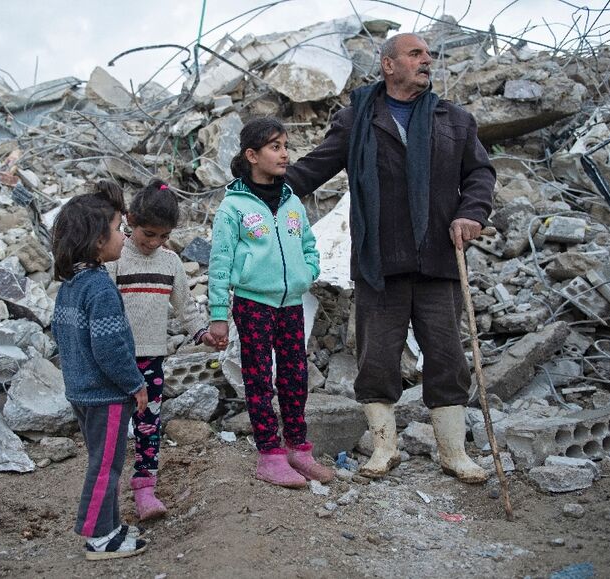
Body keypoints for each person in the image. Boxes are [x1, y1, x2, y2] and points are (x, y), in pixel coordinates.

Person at [285, 33, 495, 484]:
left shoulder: (453, 120)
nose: (427, 60)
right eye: (416, 54)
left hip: (439, 261)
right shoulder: (357, 118)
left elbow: (480, 173)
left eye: (428, 53)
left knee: (446, 356)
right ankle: (385, 448)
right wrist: (262, 191)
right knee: (376, 359)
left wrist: (471, 213)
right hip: (380, 264)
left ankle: (453, 452)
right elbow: (314, 168)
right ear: (387, 65)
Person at [208, 117, 334, 489]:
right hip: (253, 304)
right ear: (252, 155)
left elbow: (309, 245)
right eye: (274, 147)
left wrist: (306, 272)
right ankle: (269, 455)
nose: (284, 154)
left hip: (291, 302)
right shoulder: (233, 207)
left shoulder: (291, 200)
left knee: (295, 375)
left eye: (285, 146)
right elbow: (220, 263)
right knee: (259, 379)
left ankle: (298, 448)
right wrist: (217, 315)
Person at [104, 178, 219, 521]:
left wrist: (201, 332)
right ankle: (105, 496)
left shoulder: (169, 263)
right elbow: (102, 308)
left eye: (163, 236)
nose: (154, 243)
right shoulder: (114, 258)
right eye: (148, 234)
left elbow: (185, 306)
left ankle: (145, 491)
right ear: (130, 221)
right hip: (114, 359)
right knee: (109, 427)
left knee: (148, 426)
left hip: (151, 359)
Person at [50, 184, 149, 560]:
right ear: (96, 240)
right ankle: (97, 536)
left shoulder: (71, 285)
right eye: (118, 227)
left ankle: (110, 525)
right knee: (106, 466)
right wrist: (135, 383)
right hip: (105, 394)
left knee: (103, 459)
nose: (125, 235)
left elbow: (62, 334)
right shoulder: (100, 288)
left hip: (80, 390)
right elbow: (109, 348)